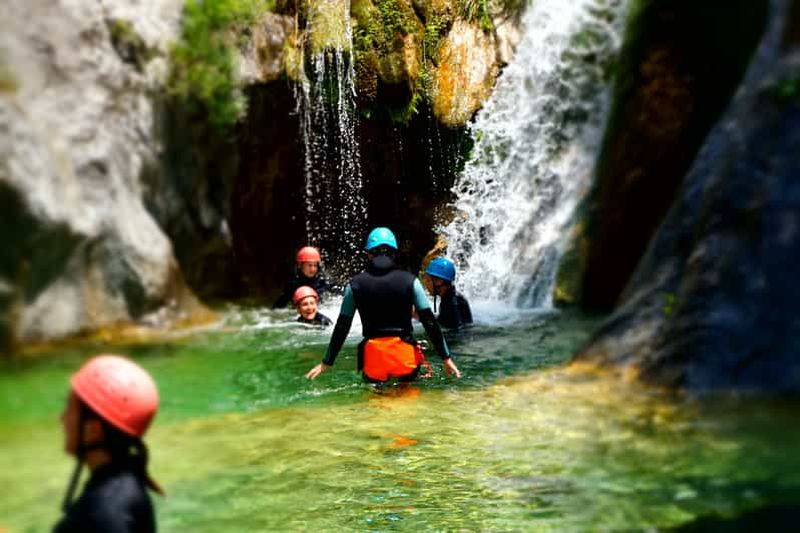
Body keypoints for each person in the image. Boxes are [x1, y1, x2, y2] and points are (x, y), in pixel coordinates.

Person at [305, 227, 461, 383]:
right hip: (404, 357)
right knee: (410, 400)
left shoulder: (354, 285)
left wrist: (327, 361)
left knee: (376, 401)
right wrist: (446, 357)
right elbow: (430, 322)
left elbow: (342, 326)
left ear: (368, 254)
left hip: (374, 360)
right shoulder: (411, 281)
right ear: (394, 253)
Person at [54, 354, 162, 533]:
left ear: (93, 430)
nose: (62, 418)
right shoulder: (125, 481)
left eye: (69, 408)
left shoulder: (103, 512)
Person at [425, 257, 473, 330]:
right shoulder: (457, 298)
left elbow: (452, 330)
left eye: (428, 280)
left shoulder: (449, 305)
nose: (426, 284)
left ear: (438, 281)